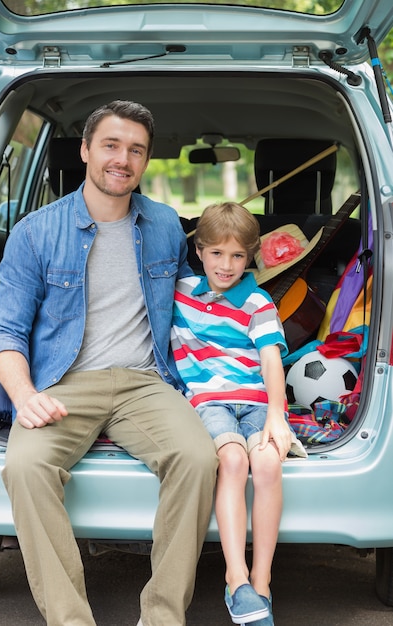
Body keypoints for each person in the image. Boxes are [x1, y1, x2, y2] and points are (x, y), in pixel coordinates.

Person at [0, 100, 218, 626]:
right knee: (24, 466)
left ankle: (162, 617)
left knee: (197, 458)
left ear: (147, 160)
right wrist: (25, 397)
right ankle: (71, 620)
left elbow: (195, 304)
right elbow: (5, 332)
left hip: (146, 380)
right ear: (86, 150)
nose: (123, 158)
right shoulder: (35, 232)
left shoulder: (162, 225)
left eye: (136, 149)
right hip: (65, 381)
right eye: (111, 145)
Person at [171, 202, 307, 626]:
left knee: (267, 464)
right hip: (208, 402)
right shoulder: (178, 292)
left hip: (256, 401)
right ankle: (236, 577)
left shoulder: (258, 301)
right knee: (231, 460)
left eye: (237, 256)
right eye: (216, 253)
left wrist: (277, 416)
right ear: (199, 251)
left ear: (250, 257)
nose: (226, 265)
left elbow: (270, 361)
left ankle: (262, 584)